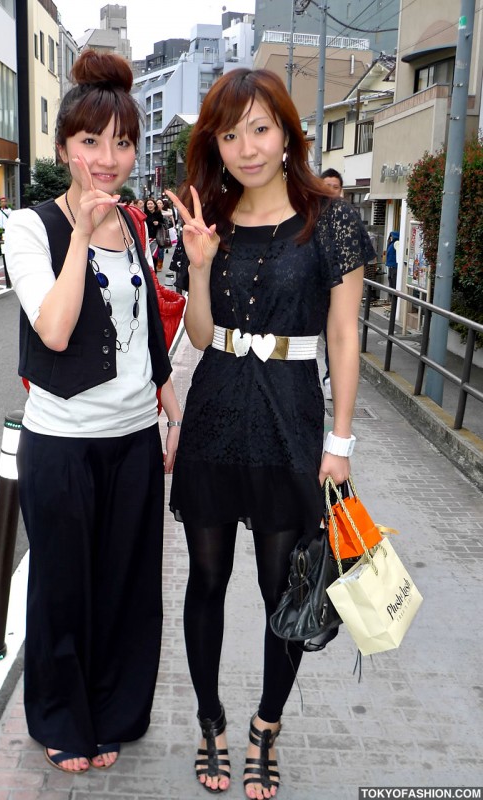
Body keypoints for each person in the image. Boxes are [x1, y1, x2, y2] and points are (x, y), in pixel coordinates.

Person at [166, 67, 374, 799]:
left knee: (282, 586)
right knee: (208, 581)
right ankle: (211, 724)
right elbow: (197, 334)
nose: (246, 147)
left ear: (287, 131)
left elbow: (345, 337)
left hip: (291, 413)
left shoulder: (332, 219)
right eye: (229, 133)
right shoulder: (209, 217)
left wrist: (340, 442)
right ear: (214, 144)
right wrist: (196, 267)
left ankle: (265, 730)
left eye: (259, 128)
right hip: (217, 409)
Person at [4, 50, 182, 776]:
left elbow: (145, 330)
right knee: (64, 590)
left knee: (126, 589)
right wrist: (80, 233)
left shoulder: (137, 228)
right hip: (63, 442)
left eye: (122, 142)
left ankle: (114, 712)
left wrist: (168, 407)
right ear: (64, 146)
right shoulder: (29, 228)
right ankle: (61, 719)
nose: (108, 158)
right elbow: (53, 327)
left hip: (135, 438)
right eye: (90, 141)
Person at [319, 168, 344, 400]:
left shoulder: (345, 222)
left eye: (334, 187)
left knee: (334, 337)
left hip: (335, 292)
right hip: (311, 292)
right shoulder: (308, 217)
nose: (330, 192)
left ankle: (331, 378)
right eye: (325, 187)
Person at [144, 197, 166, 270]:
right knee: (147, 256)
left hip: (156, 238)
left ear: (154, 205)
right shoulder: (144, 214)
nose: (149, 205)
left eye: (151, 204)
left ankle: (154, 271)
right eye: (148, 204)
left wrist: (158, 223)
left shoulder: (158, 213)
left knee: (154, 256)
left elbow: (164, 224)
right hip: (146, 238)